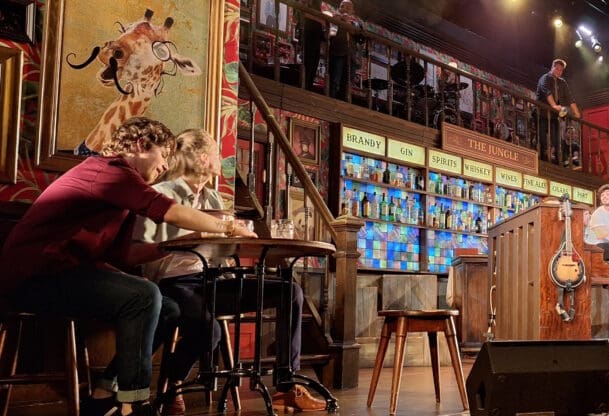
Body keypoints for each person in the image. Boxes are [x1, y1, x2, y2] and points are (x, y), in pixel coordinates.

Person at [0, 117, 257, 416]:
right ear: (140, 145)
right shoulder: (107, 171)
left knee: (169, 307)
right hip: (30, 278)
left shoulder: (121, 197)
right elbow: (167, 210)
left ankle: (103, 393)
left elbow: (127, 258)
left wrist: (184, 241)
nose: (164, 166)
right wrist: (226, 227)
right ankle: (133, 403)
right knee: (145, 295)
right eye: (162, 156)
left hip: (62, 276)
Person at [133, 129, 326, 414]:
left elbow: (226, 248)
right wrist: (194, 235)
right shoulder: (161, 195)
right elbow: (142, 248)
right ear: (202, 158)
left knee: (290, 291)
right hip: (175, 283)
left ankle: (286, 386)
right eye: (216, 153)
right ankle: (174, 383)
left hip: (214, 280)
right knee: (209, 331)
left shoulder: (212, 199)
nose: (220, 160)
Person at [303, 0, 360, 98]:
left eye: (347, 8)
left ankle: (343, 104)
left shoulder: (356, 23)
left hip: (351, 57)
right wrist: (335, 21)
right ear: (339, 8)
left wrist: (346, 21)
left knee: (347, 84)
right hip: (336, 53)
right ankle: (332, 99)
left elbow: (355, 32)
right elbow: (328, 35)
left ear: (353, 12)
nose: (344, 9)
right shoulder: (333, 19)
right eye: (342, 7)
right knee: (334, 81)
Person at [534, 58, 580, 166]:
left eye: (561, 70)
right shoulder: (545, 78)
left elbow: (570, 98)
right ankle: (542, 159)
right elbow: (548, 93)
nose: (559, 71)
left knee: (557, 139)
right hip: (542, 113)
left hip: (554, 116)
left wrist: (577, 113)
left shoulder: (562, 82)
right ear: (552, 67)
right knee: (542, 138)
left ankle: (558, 160)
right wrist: (554, 105)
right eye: (557, 69)